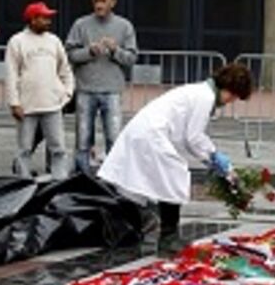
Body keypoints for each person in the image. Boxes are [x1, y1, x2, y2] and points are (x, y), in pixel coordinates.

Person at [97, 64, 254, 236]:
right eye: (232, 96)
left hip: (146, 132)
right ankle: (168, 234)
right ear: (226, 86)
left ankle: (138, 225)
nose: (230, 101)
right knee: (174, 176)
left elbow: (186, 136)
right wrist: (213, 155)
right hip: (151, 133)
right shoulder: (205, 97)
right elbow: (193, 137)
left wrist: (210, 157)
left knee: (142, 183)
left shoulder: (200, 92)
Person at [65, 0, 138, 174]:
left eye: (103, 1)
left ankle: (113, 175)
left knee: (114, 136)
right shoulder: (81, 25)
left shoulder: (124, 26)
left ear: (113, 3)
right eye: (96, 0)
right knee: (83, 138)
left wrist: (115, 50)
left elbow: (131, 58)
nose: (99, 5)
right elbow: (70, 54)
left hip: (112, 89)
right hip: (85, 88)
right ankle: (82, 175)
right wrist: (89, 51)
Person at [5, 1, 75, 180]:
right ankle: (23, 182)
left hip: (52, 104)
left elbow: (65, 69)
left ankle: (60, 181)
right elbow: (11, 74)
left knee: (58, 147)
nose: (48, 21)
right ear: (33, 19)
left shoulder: (54, 41)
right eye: (44, 17)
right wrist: (14, 103)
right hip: (26, 106)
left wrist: (66, 93)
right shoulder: (17, 41)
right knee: (24, 149)